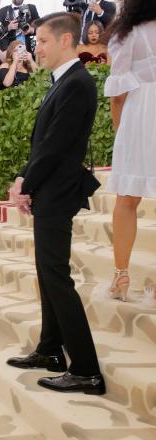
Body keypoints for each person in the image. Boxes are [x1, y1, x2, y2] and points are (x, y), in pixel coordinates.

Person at [7, 12, 105, 395]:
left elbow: (56, 147)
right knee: (47, 273)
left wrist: (26, 185)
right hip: (49, 189)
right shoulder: (62, 82)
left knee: (57, 276)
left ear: (66, 41)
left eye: (43, 41)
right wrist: (24, 179)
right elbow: (42, 142)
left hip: (57, 190)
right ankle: (51, 350)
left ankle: (86, 369)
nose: (37, 48)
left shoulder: (77, 83)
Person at [104, 0, 156, 302]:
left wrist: (119, 129)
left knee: (126, 200)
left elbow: (117, 94)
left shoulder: (126, 34)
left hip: (140, 115)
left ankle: (121, 277)